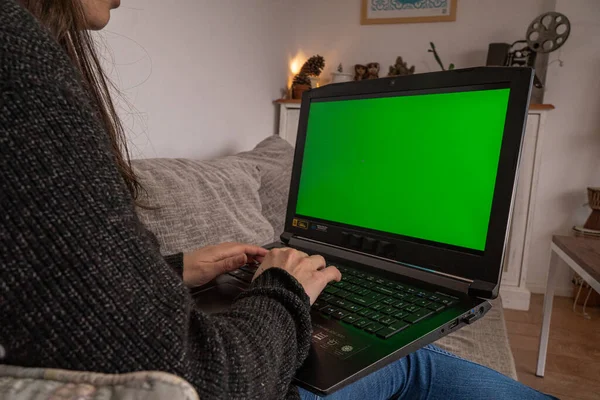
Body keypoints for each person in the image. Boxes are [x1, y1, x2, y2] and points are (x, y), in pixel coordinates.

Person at [0, 1, 557, 399]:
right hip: (250, 381)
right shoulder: (17, 58)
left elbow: (49, 298)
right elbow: (202, 382)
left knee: (405, 355)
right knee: (414, 367)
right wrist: (285, 287)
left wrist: (173, 269)